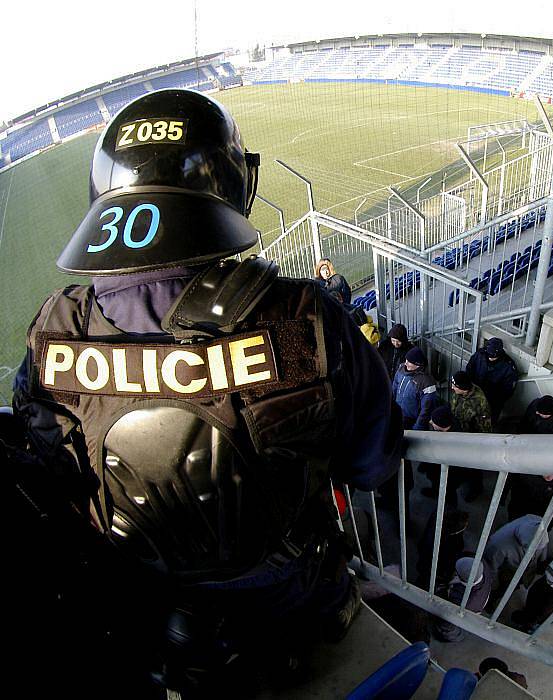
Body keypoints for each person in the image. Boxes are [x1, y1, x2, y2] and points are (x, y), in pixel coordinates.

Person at [13, 90, 403, 695]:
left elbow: (51, 468)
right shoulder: (303, 318)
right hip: (286, 582)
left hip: (147, 594)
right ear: (226, 185)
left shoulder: (54, 335)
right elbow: (372, 463)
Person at [450, 371, 492, 500]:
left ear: (464, 389)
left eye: (455, 386)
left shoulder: (479, 401)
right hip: (458, 434)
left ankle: (476, 488)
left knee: (473, 468)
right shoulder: (459, 394)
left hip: (471, 440)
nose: (452, 388)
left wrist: (478, 447)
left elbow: (485, 428)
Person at [430, 557, 492, 642]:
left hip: (461, 620)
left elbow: (449, 620)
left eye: (456, 572)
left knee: (449, 629)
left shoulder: (467, 604)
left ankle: (442, 636)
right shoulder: (481, 565)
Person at [511, 557, 553, 633]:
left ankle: (527, 629)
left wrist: (526, 620)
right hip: (548, 615)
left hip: (539, 617)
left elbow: (537, 616)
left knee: (533, 623)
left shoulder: (550, 601)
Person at [484, 514, 549, 590]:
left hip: (526, 568)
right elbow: (491, 568)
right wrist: (493, 586)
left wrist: (543, 559)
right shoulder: (498, 545)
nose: (537, 550)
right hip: (509, 572)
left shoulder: (539, 523)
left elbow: (544, 545)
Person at [418, 405, 467, 504]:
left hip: (450, 476)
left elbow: (458, 467)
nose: (430, 422)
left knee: (449, 492)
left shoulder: (457, 441)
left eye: (433, 421)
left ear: (441, 425)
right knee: (436, 482)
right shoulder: (441, 429)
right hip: (436, 469)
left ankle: (449, 510)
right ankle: (435, 491)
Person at [466, 337, 518, 424]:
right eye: (489, 355)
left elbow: (508, 390)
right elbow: (470, 369)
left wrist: (494, 401)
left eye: (493, 356)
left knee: (489, 422)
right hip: (474, 394)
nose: (490, 358)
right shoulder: (480, 355)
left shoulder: (508, 367)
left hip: (492, 402)